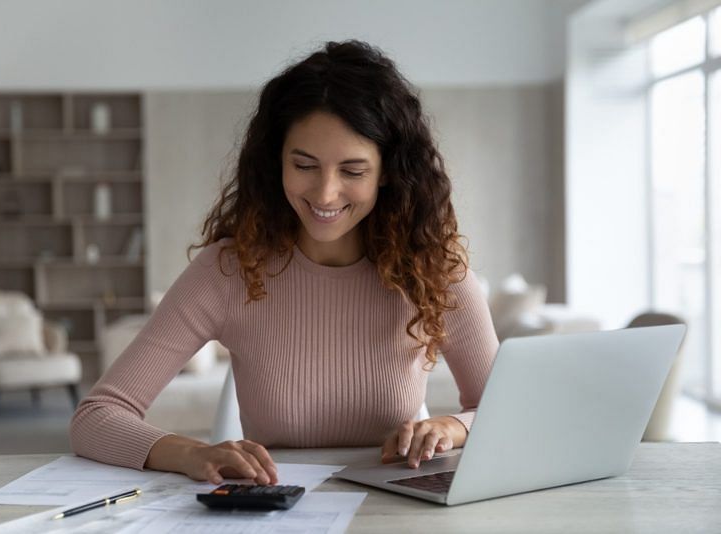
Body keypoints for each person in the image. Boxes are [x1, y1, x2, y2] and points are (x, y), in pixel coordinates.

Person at [70, 40, 498, 486]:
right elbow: (97, 416)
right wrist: (189, 452)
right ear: (276, 161)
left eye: (352, 171)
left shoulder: (435, 273)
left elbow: (506, 413)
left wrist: (455, 427)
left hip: (395, 510)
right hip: (276, 509)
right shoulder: (228, 271)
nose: (325, 193)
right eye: (304, 165)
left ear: (388, 171)